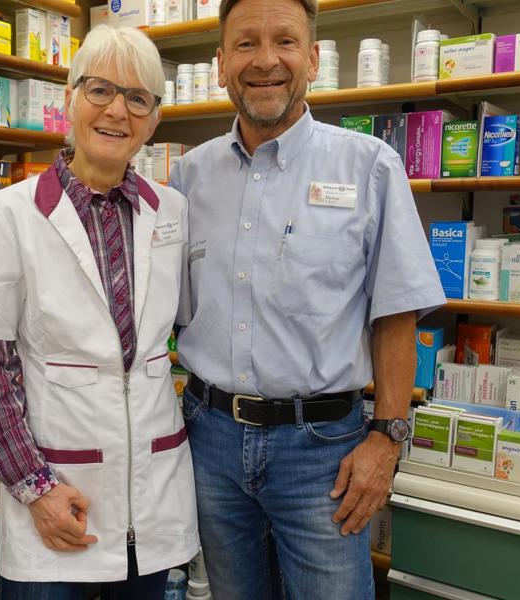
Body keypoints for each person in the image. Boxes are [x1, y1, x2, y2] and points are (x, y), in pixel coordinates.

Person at [168, 1, 445, 598]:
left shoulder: (369, 165)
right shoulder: (187, 179)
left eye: (285, 42)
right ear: (220, 64)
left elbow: (396, 314)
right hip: (210, 439)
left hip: (323, 452)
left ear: (314, 59)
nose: (265, 61)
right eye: (245, 44)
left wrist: (386, 439)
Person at [0, 24, 198, 600]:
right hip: (57, 498)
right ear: (69, 101)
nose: (117, 111)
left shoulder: (172, 211)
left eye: (138, 99)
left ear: (154, 120)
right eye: (100, 90)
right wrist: (36, 487)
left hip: (154, 499)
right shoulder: (8, 214)